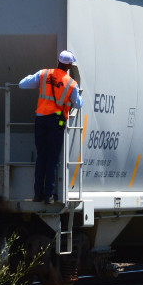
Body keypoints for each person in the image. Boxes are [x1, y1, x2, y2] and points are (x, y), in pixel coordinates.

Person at [19, 50, 83, 203]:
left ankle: (37, 195)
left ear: (58, 61)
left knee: (42, 157)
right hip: (56, 122)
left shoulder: (43, 74)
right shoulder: (71, 83)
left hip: (40, 120)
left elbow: (22, 84)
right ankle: (49, 195)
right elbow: (79, 104)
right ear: (69, 66)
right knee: (52, 159)